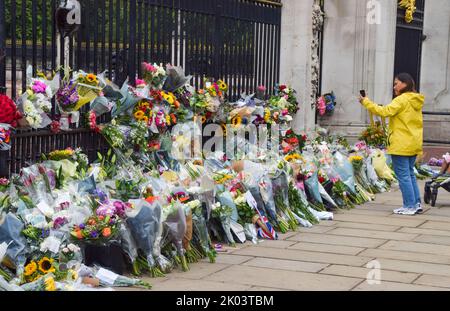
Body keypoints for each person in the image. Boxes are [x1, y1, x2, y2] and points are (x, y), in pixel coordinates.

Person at [359, 73, 424, 215]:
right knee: (410, 174)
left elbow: (384, 111)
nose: (394, 86)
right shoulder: (415, 100)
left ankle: (409, 205)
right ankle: (416, 203)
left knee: (403, 176)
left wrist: (366, 102)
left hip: (401, 144)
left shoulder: (401, 100)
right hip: (413, 143)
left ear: (404, 84)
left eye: (396, 83)